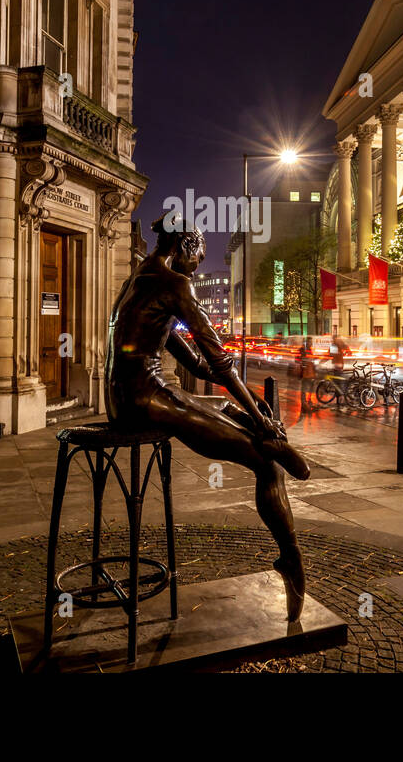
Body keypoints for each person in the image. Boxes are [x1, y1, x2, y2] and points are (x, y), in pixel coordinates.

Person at [106, 214, 311, 620]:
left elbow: (189, 355)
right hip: (144, 401)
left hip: (130, 397)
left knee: (229, 409)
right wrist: (260, 412)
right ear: (183, 247)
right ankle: (289, 556)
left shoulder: (142, 277)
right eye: (197, 257)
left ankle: (269, 435)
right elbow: (220, 362)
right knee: (265, 465)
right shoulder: (173, 283)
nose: (197, 266)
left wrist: (249, 408)